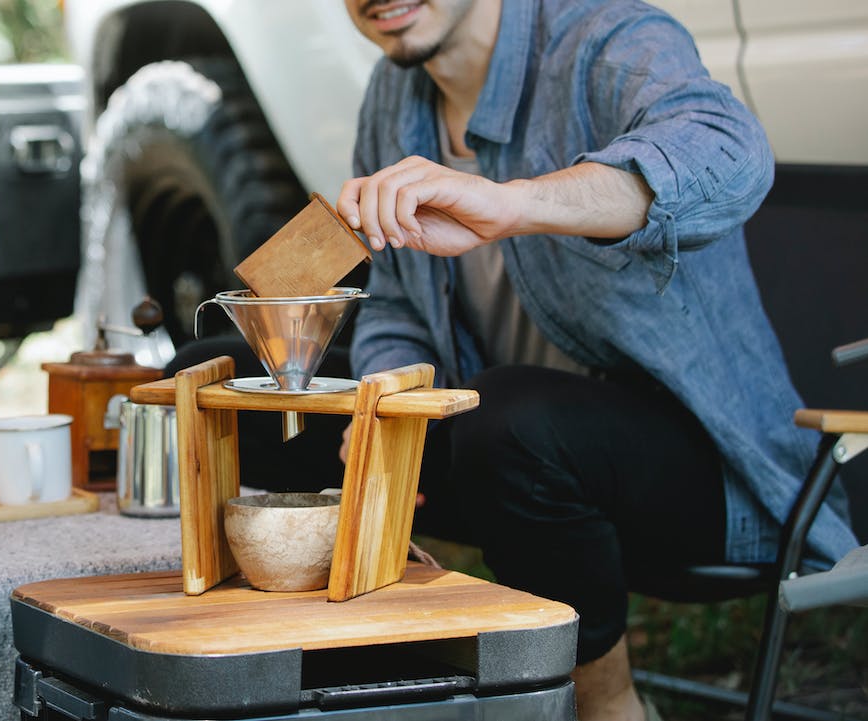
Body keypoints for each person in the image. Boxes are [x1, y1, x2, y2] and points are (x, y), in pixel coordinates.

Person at [333, 0, 859, 719]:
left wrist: (517, 202)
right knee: (247, 381)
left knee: (509, 418)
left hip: (708, 477)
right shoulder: (392, 98)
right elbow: (394, 301)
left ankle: (607, 705)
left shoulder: (605, 37)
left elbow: (730, 149)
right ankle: (321, 690)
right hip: (511, 475)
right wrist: (390, 396)